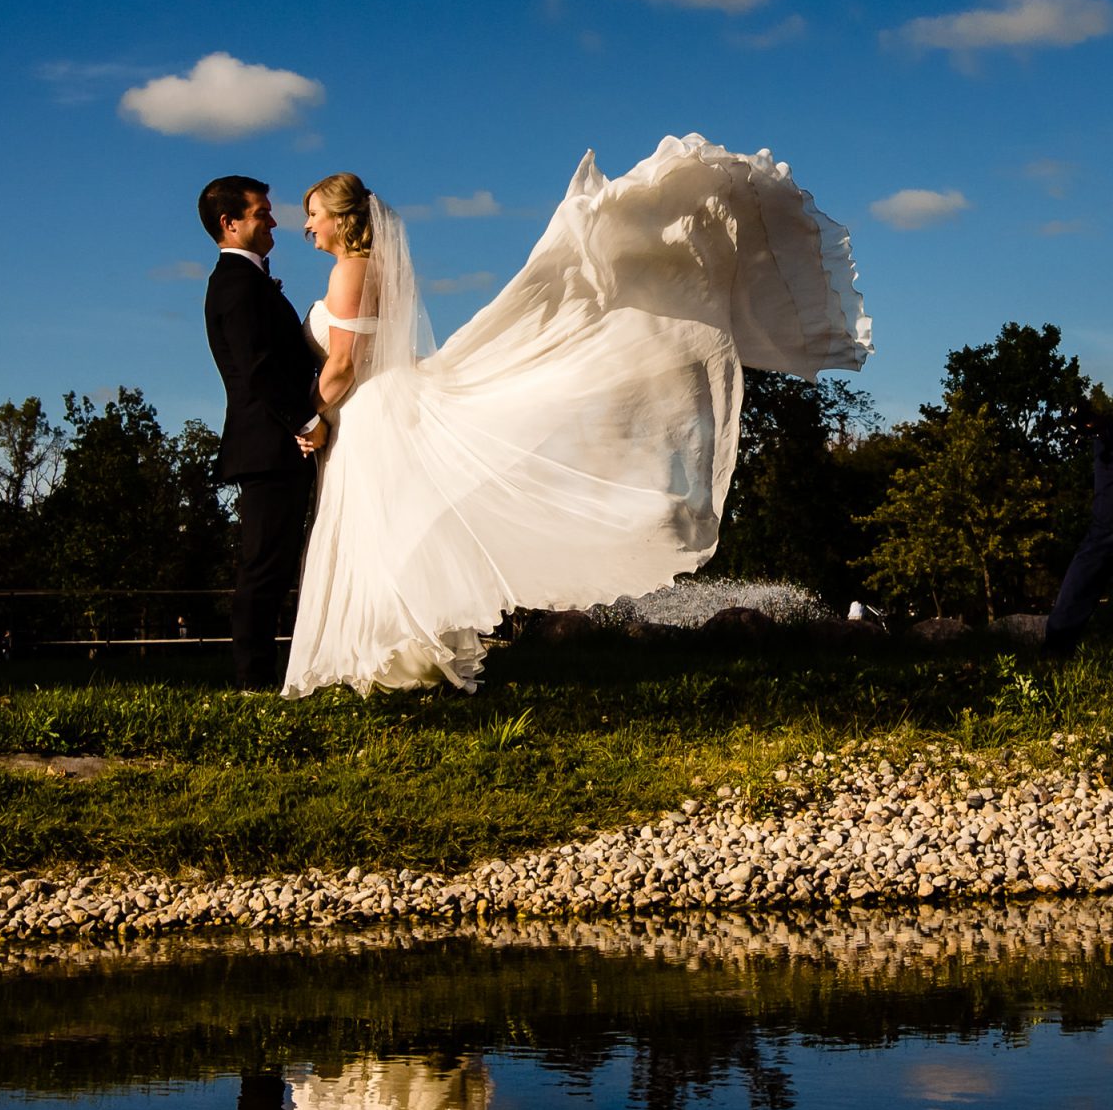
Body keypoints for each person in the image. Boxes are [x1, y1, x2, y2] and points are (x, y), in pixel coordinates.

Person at [271, 139, 873, 697]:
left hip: (367, 410)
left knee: (378, 531)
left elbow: (345, 365)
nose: (306, 224)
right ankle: (397, 658)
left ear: (343, 217)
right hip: (378, 408)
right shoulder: (371, 270)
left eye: (315, 213)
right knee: (390, 531)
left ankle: (386, 658)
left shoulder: (349, 272)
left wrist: (310, 415)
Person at [198, 175, 327, 689]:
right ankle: (253, 682)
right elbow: (259, 369)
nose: (274, 220)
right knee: (263, 569)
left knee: (275, 567)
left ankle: (272, 673)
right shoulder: (235, 284)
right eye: (261, 212)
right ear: (230, 223)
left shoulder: (249, 281)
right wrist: (309, 422)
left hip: (276, 444)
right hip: (270, 446)